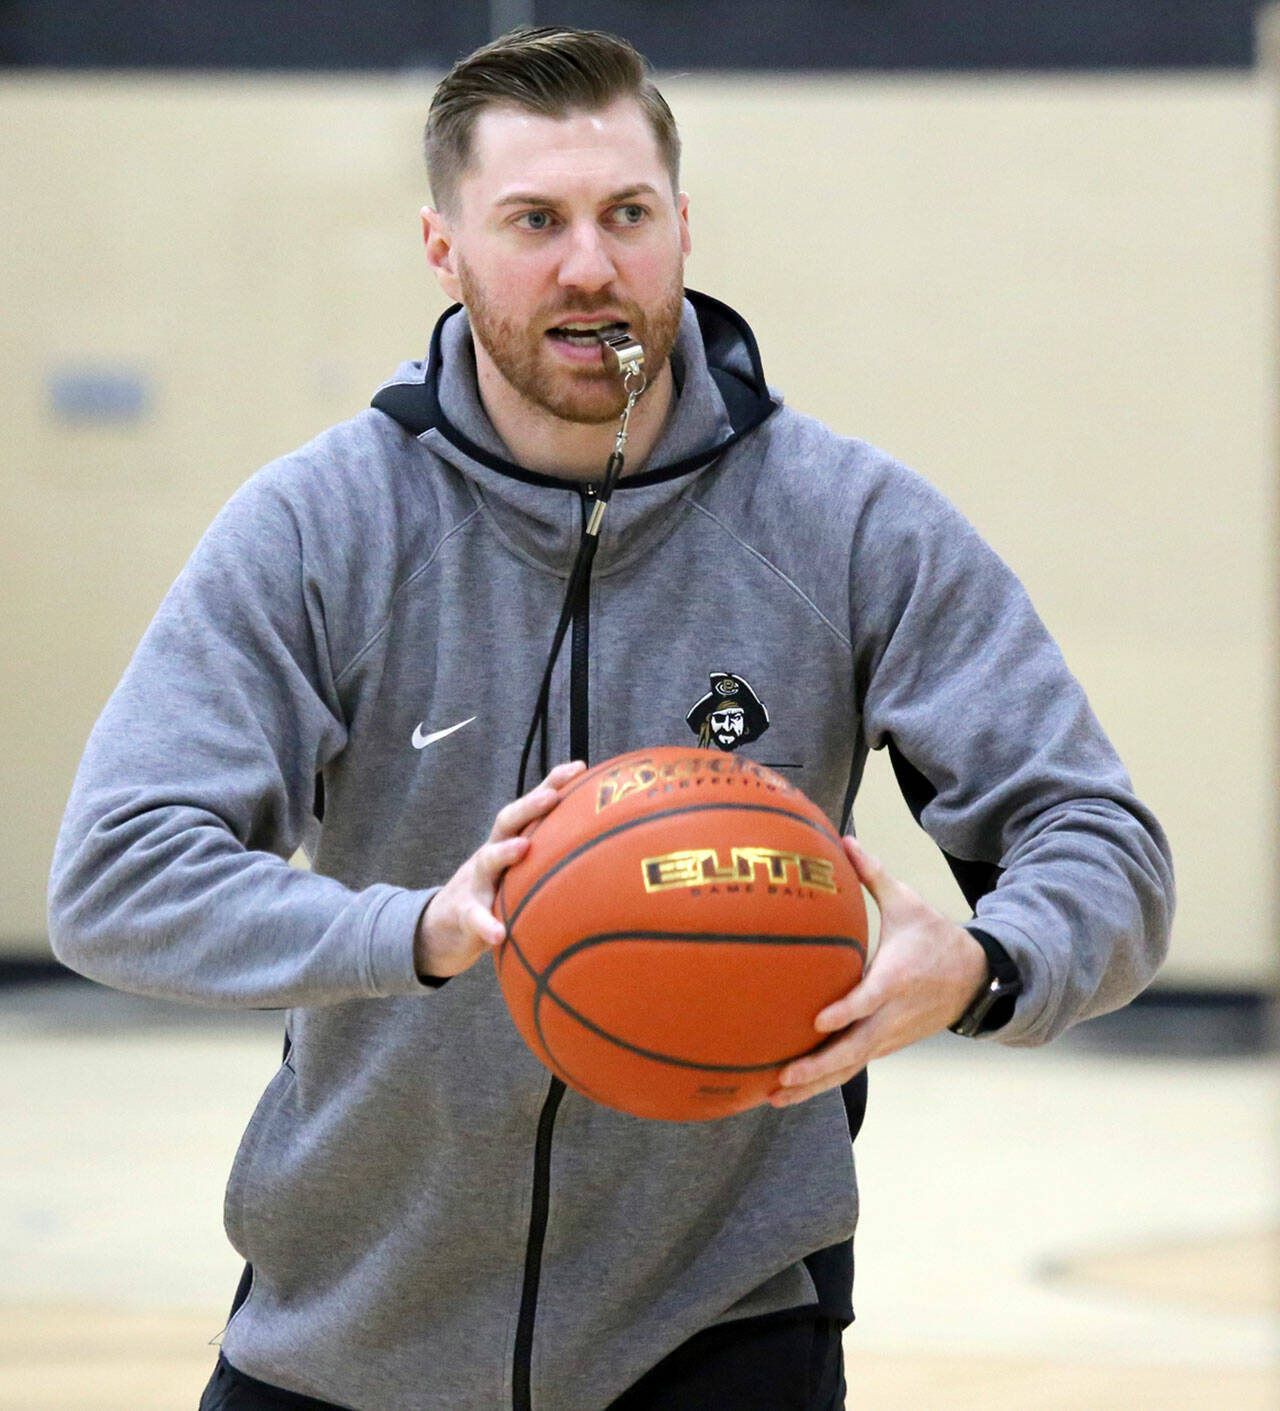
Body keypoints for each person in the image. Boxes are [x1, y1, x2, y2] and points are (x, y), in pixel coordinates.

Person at [47, 25, 1175, 1411]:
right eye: (534, 220)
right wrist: (412, 933)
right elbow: (115, 873)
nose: (591, 264)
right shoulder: (323, 527)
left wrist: (988, 964)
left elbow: (1101, 842)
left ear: (683, 227)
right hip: (348, 1322)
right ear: (442, 247)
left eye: (626, 215)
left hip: (719, 1324)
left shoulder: (846, 525)